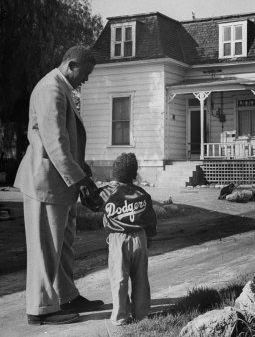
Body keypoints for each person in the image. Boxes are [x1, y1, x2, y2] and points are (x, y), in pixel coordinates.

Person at [14, 46, 103, 325]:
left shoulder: (61, 88)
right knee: (45, 246)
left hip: (61, 185)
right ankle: (40, 308)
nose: (86, 80)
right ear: (72, 65)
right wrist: (81, 180)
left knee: (62, 245)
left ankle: (65, 295)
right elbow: (55, 144)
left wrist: (82, 171)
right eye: (85, 74)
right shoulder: (50, 89)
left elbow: (67, 141)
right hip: (45, 184)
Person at [81, 152, 157, 326]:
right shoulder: (143, 193)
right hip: (140, 239)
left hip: (118, 240)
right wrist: (149, 238)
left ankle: (120, 316)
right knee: (140, 279)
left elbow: (90, 202)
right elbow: (150, 220)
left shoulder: (107, 192)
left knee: (119, 278)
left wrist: (84, 181)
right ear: (134, 175)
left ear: (114, 175)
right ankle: (141, 314)